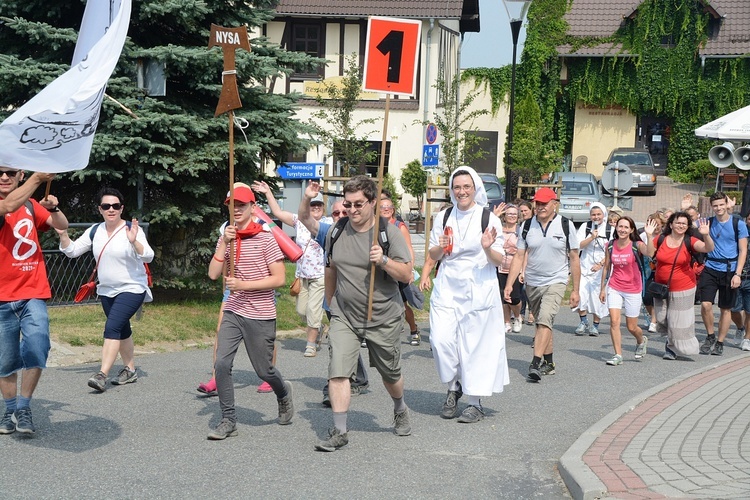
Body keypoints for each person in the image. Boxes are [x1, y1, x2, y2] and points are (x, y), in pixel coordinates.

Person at [313, 175, 413, 452]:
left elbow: (407, 273)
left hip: (384, 315)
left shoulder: (387, 232)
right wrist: (331, 305)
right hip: (345, 314)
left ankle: (400, 407)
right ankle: (340, 431)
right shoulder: (337, 231)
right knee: (338, 373)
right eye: (348, 204)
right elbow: (331, 268)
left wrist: (382, 260)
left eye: (359, 204)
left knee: (390, 375)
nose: (352, 210)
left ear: (372, 203)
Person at [205, 183, 293, 440]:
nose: (236, 211)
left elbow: (279, 279)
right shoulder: (227, 238)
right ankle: (228, 419)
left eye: (241, 206)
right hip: (234, 309)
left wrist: (244, 285)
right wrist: (224, 244)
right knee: (221, 363)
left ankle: (283, 393)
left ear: (253, 208)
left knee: (264, 371)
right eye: (232, 206)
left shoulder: (265, 238)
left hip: (261, 313)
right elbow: (212, 274)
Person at [428, 167, 509, 423]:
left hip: (478, 286)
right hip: (448, 285)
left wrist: (487, 248)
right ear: (452, 190)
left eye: (466, 187)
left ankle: (474, 402)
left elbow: (499, 260)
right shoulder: (443, 217)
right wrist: (439, 250)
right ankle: (455, 384)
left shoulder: (489, 219)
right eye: (457, 187)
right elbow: (432, 254)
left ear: (475, 188)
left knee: (475, 346)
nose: (461, 191)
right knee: (441, 341)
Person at [57, 188, 154, 393]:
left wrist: (134, 240)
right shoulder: (95, 230)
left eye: (116, 206)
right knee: (122, 329)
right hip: (107, 290)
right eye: (106, 206)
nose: (111, 210)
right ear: (100, 209)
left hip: (132, 288)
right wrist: (63, 234)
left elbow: (148, 256)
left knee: (112, 327)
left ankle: (102, 374)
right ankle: (130, 369)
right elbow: (72, 251)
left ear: (122, 208)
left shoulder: (131, 229)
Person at [0, 169, 66, 436]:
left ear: (20, 174)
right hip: (2, 298)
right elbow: (7, 205)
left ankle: (24, 407)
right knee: (5, 361)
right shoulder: (9, 203)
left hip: (32, 292)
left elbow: (61, 225)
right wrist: (37, 179)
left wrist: (55, 208)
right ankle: (9, 409)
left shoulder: (29, 204)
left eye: (10, 173)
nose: (4, 177)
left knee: (38, 346)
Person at [295, 186, 369, 407]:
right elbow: (304, 218)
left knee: (385, 362)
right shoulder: (330, 232)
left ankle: (362, 378)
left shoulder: (368, 233)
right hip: (335, 301)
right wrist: (308, 197)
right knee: (337, 343)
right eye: (336, 213)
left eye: (344, 212)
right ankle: (334, 386)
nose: (340, 216)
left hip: (365, 301)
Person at [505, 187, 580, 381]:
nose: (540, 207)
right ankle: (549, 362)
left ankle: (535, 363)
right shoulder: (527, 226)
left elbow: (574, 258)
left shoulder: (566, 225)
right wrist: (509, 284)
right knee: (542, 324)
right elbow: (519, 255)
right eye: (537, 203)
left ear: (555, 203)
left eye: (544, 203)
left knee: (545, 318)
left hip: (556, 280)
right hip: (533, 282)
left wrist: (575, 290)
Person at [251, 180, 326, 357]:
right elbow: (276, 212)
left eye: (319, 205)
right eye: (312, 205)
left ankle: (311, 344)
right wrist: (268, 192)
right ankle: (318, 327)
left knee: (313, 310)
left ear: (324, 207)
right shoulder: (299, 221)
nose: (315, 208)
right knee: (302, 311)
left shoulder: (328, 223)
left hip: (321, 275)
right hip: (302, 275)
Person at [646, 212, 713, 360]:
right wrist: (649, 236)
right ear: (671, 224)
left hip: (684, 287)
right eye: (678, 222)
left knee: (677, 320)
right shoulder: (662, 239)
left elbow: (708, 249)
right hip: (661, 286)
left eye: (684, 223)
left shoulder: (690, 240)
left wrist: (706, 235)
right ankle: (672, 342)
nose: (681, 225)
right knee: (662, 318)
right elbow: (650, 253)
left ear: (688, 226)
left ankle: (671, 348)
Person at [696, 192, 748, 356]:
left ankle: (720, 341)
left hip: (729, 269)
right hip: (711, 267)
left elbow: (743, 250)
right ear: (712, 207)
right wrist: (703, 232)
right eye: (715, 205)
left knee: (725, 309)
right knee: (705, 304)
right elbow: (689, 227)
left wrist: (737, 274)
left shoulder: (737, 223)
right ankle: (710, 335)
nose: (718, 208)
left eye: (721, 204)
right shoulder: (708, 223)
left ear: (727, 204)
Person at [599, 216, 655, 365]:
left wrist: (649, 236)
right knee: (614, 321)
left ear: (631, 230)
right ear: (616, 228)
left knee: (631, 326)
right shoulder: (610, 245)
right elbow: (607, 267)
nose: (622, 230)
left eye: (626, 227)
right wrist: (602, 289)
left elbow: (650, 253)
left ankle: (641, 340)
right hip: (614, 287)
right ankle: (618, 354)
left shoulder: (637, 245)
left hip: (633, 288)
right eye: (620, 226)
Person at [379, 195, 420, 345]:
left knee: (402, 305)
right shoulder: (374, 226)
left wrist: (410, 270)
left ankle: (414, 329)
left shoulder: (399, 226)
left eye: (388, 207)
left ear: (393, 210)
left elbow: (409, 248)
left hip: (398, 269)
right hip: (382, 270)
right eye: (382, 207)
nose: (385, 210)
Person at [574, 203, 612, 336]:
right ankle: (583, 321)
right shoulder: (585, 227)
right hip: (584, 266)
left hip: (601, 270)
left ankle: (595, 325)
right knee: (581, 294)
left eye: (598, 214)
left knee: (598, 298)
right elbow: (578, 245)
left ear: (603, 215)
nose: (596, 217)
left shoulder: (610, 229)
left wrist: (601, 264)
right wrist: (591, 237)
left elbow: (611, 251)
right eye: (593, 215)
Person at [496, 204, 523, 333]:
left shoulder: (520, 230)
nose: (512, 216)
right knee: (503, 297)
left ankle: (517, 316)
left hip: (515, 267)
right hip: (500, 266)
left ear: (518, 216)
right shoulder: (499, 229)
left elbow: (525, 252)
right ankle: (506, 322)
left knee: (514, 298)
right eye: (509, 214)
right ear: (504, 216)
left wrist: (523, 270)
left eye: (514, 214)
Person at [731, 212, 750, 350]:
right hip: (735, 276)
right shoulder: (738, 232)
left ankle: (748, 338)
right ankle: (740, 327)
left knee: (749, 311)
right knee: (733, 309)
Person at [516, 199, 535, 325]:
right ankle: (521, 312)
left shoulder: (533, 224)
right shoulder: (520, 225)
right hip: (519, 258)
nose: (523, 213)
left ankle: (532, 311)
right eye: (521, 211)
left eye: (525, 211)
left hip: (531, 259)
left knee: (528, 288)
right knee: (520, 288)